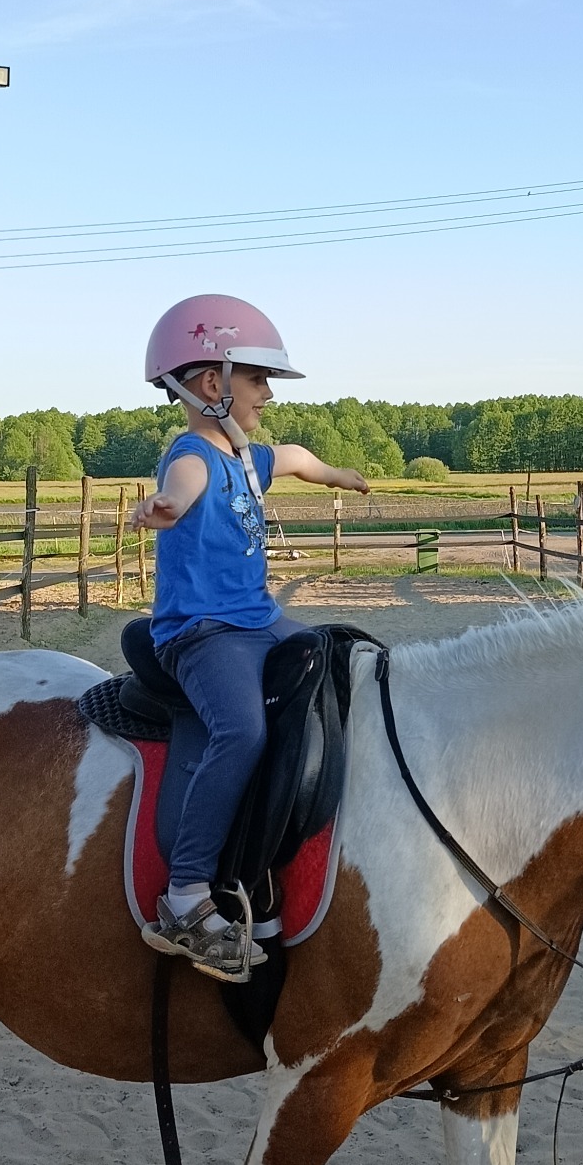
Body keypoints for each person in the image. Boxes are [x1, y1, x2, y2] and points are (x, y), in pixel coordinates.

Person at [130, 296, 369, 982]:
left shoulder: (242, 454)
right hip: (205, 634)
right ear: (212, 385)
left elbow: (293, 457)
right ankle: (184, 896)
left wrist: (338, 475)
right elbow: (181, 487)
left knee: (345, 662)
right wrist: (164, 509)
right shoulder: (193, 456)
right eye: (257, 379)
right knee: (241, 731)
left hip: (259, 620)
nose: (266, 394)